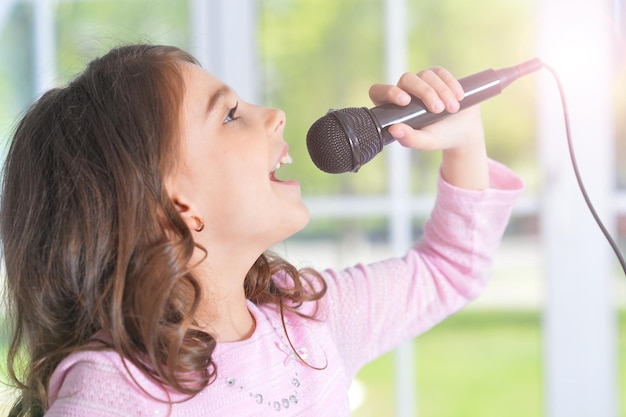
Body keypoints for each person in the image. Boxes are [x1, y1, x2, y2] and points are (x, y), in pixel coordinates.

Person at [1, 44, 523, 417]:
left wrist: (464, 142)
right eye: (229, 115)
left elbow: (448, 270)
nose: (274, 115)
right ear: (172, 205)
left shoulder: (304, 320)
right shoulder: (116, 389)